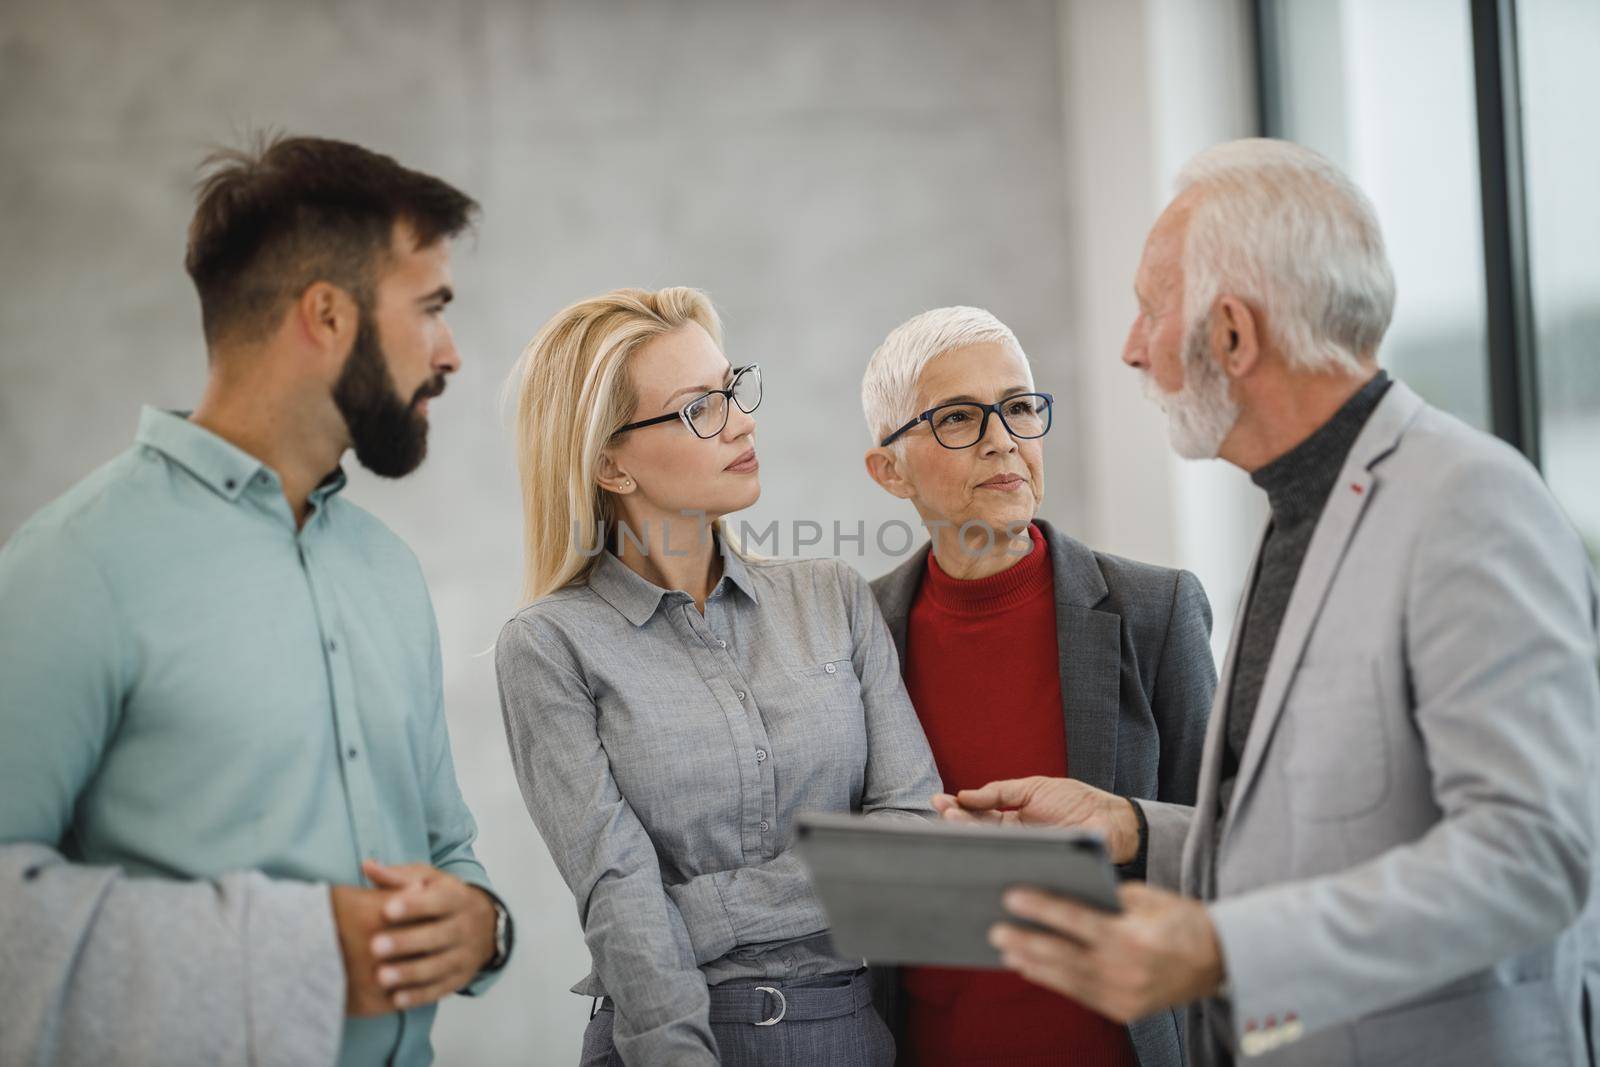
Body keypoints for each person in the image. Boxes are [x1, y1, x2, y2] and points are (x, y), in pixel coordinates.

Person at [938, 138, 1600, 1065]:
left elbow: (1532, 858)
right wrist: (1126, 826)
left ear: (1235, 335)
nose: (1131, 347)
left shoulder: (1470, 502)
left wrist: (1221, 948)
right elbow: (1324, 838)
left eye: (1150, 309)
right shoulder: (1301, 511)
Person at [0, 135, 512, 1067]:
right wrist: (294, 953)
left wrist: (484, 926)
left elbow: (447, 845)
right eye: (431, 307)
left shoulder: (386, 571)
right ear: (326, 314)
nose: (452, 352)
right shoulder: (75, 566)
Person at [496, 286, 942, 1066]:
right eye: (699, 407)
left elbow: (912, 840)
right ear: (609, 462)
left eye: (733, 389)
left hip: (851, 1038)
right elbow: (617, 893)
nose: (741, 421)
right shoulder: (549, 646)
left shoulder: (832, 595)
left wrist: (701, 911)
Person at [858, 306, 1215, 1066]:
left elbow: (1233, 843)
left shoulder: (1157, 611)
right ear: (889, 468)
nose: (1002, 438)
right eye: (958, 417)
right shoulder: (858, 635)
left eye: (1019, 407)